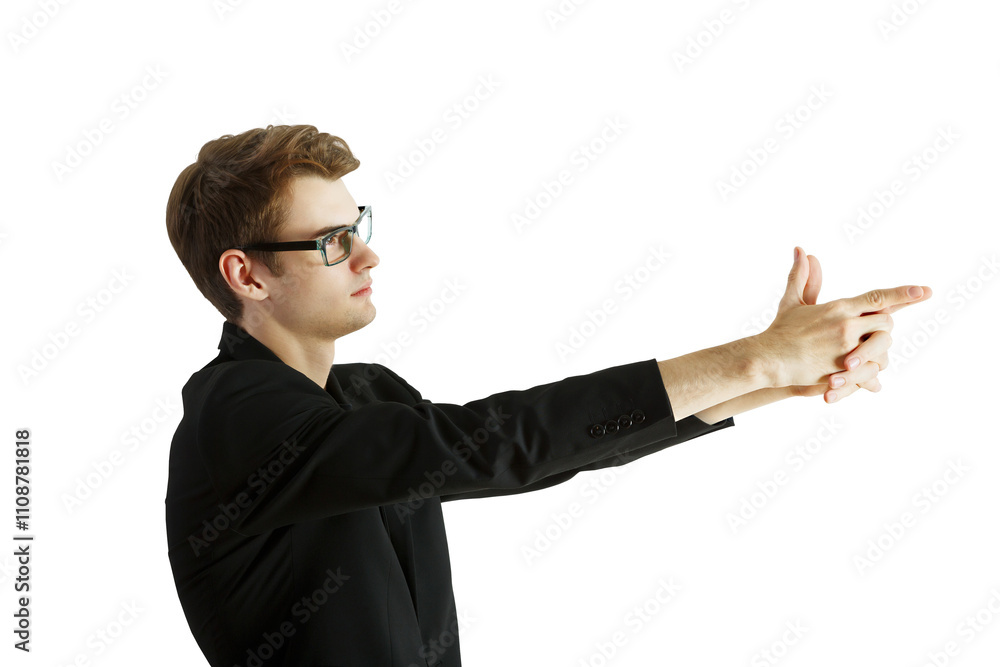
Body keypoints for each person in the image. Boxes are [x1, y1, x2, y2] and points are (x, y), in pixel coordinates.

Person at [163, 124, 932, 667]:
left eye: (357, 223)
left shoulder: (365, 393)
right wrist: (752, 359)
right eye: (332, 242)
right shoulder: (234, 415)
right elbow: (503, 443)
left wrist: (773, 378)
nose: (369, 252)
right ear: (247, 275)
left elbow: (539, 455)